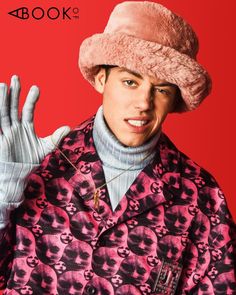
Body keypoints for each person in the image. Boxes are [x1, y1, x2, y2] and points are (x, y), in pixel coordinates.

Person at [0, 1, 235, 294]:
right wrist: (3, 196)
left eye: (161, 90)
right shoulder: (41, 167)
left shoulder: (201, 197)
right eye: (129, 82)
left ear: (173, 100)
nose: (144, 104)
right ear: (102, 78)